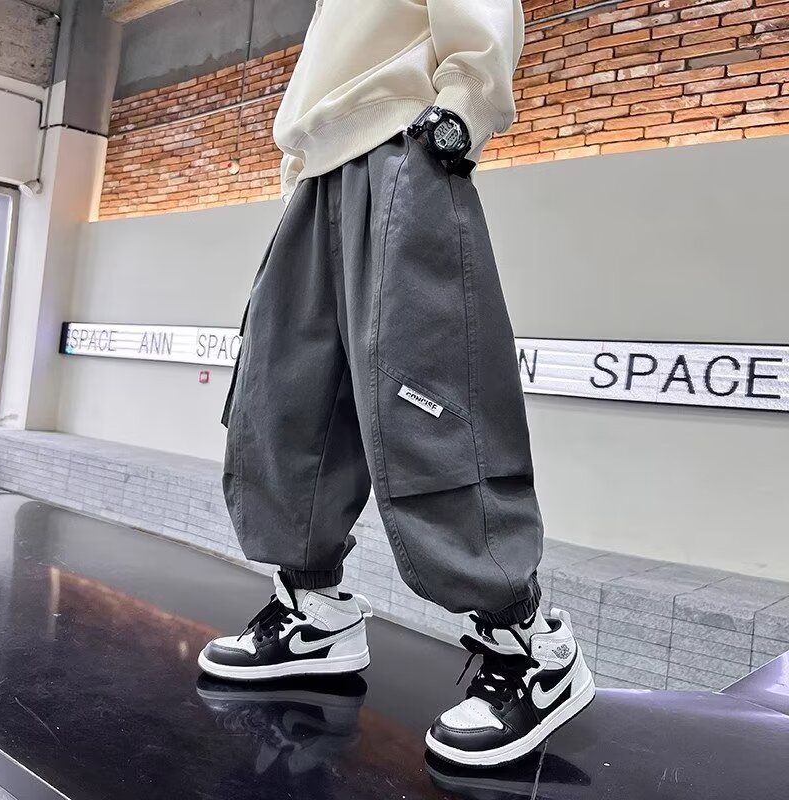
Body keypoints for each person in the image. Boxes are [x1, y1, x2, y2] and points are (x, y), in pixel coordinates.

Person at [198, 0, 595, 766]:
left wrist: (461, 112)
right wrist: (300, 171)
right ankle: (314, 612)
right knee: (282, 402)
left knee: (427, 403)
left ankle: (529, 644)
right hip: (317, 172)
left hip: (400, 147)